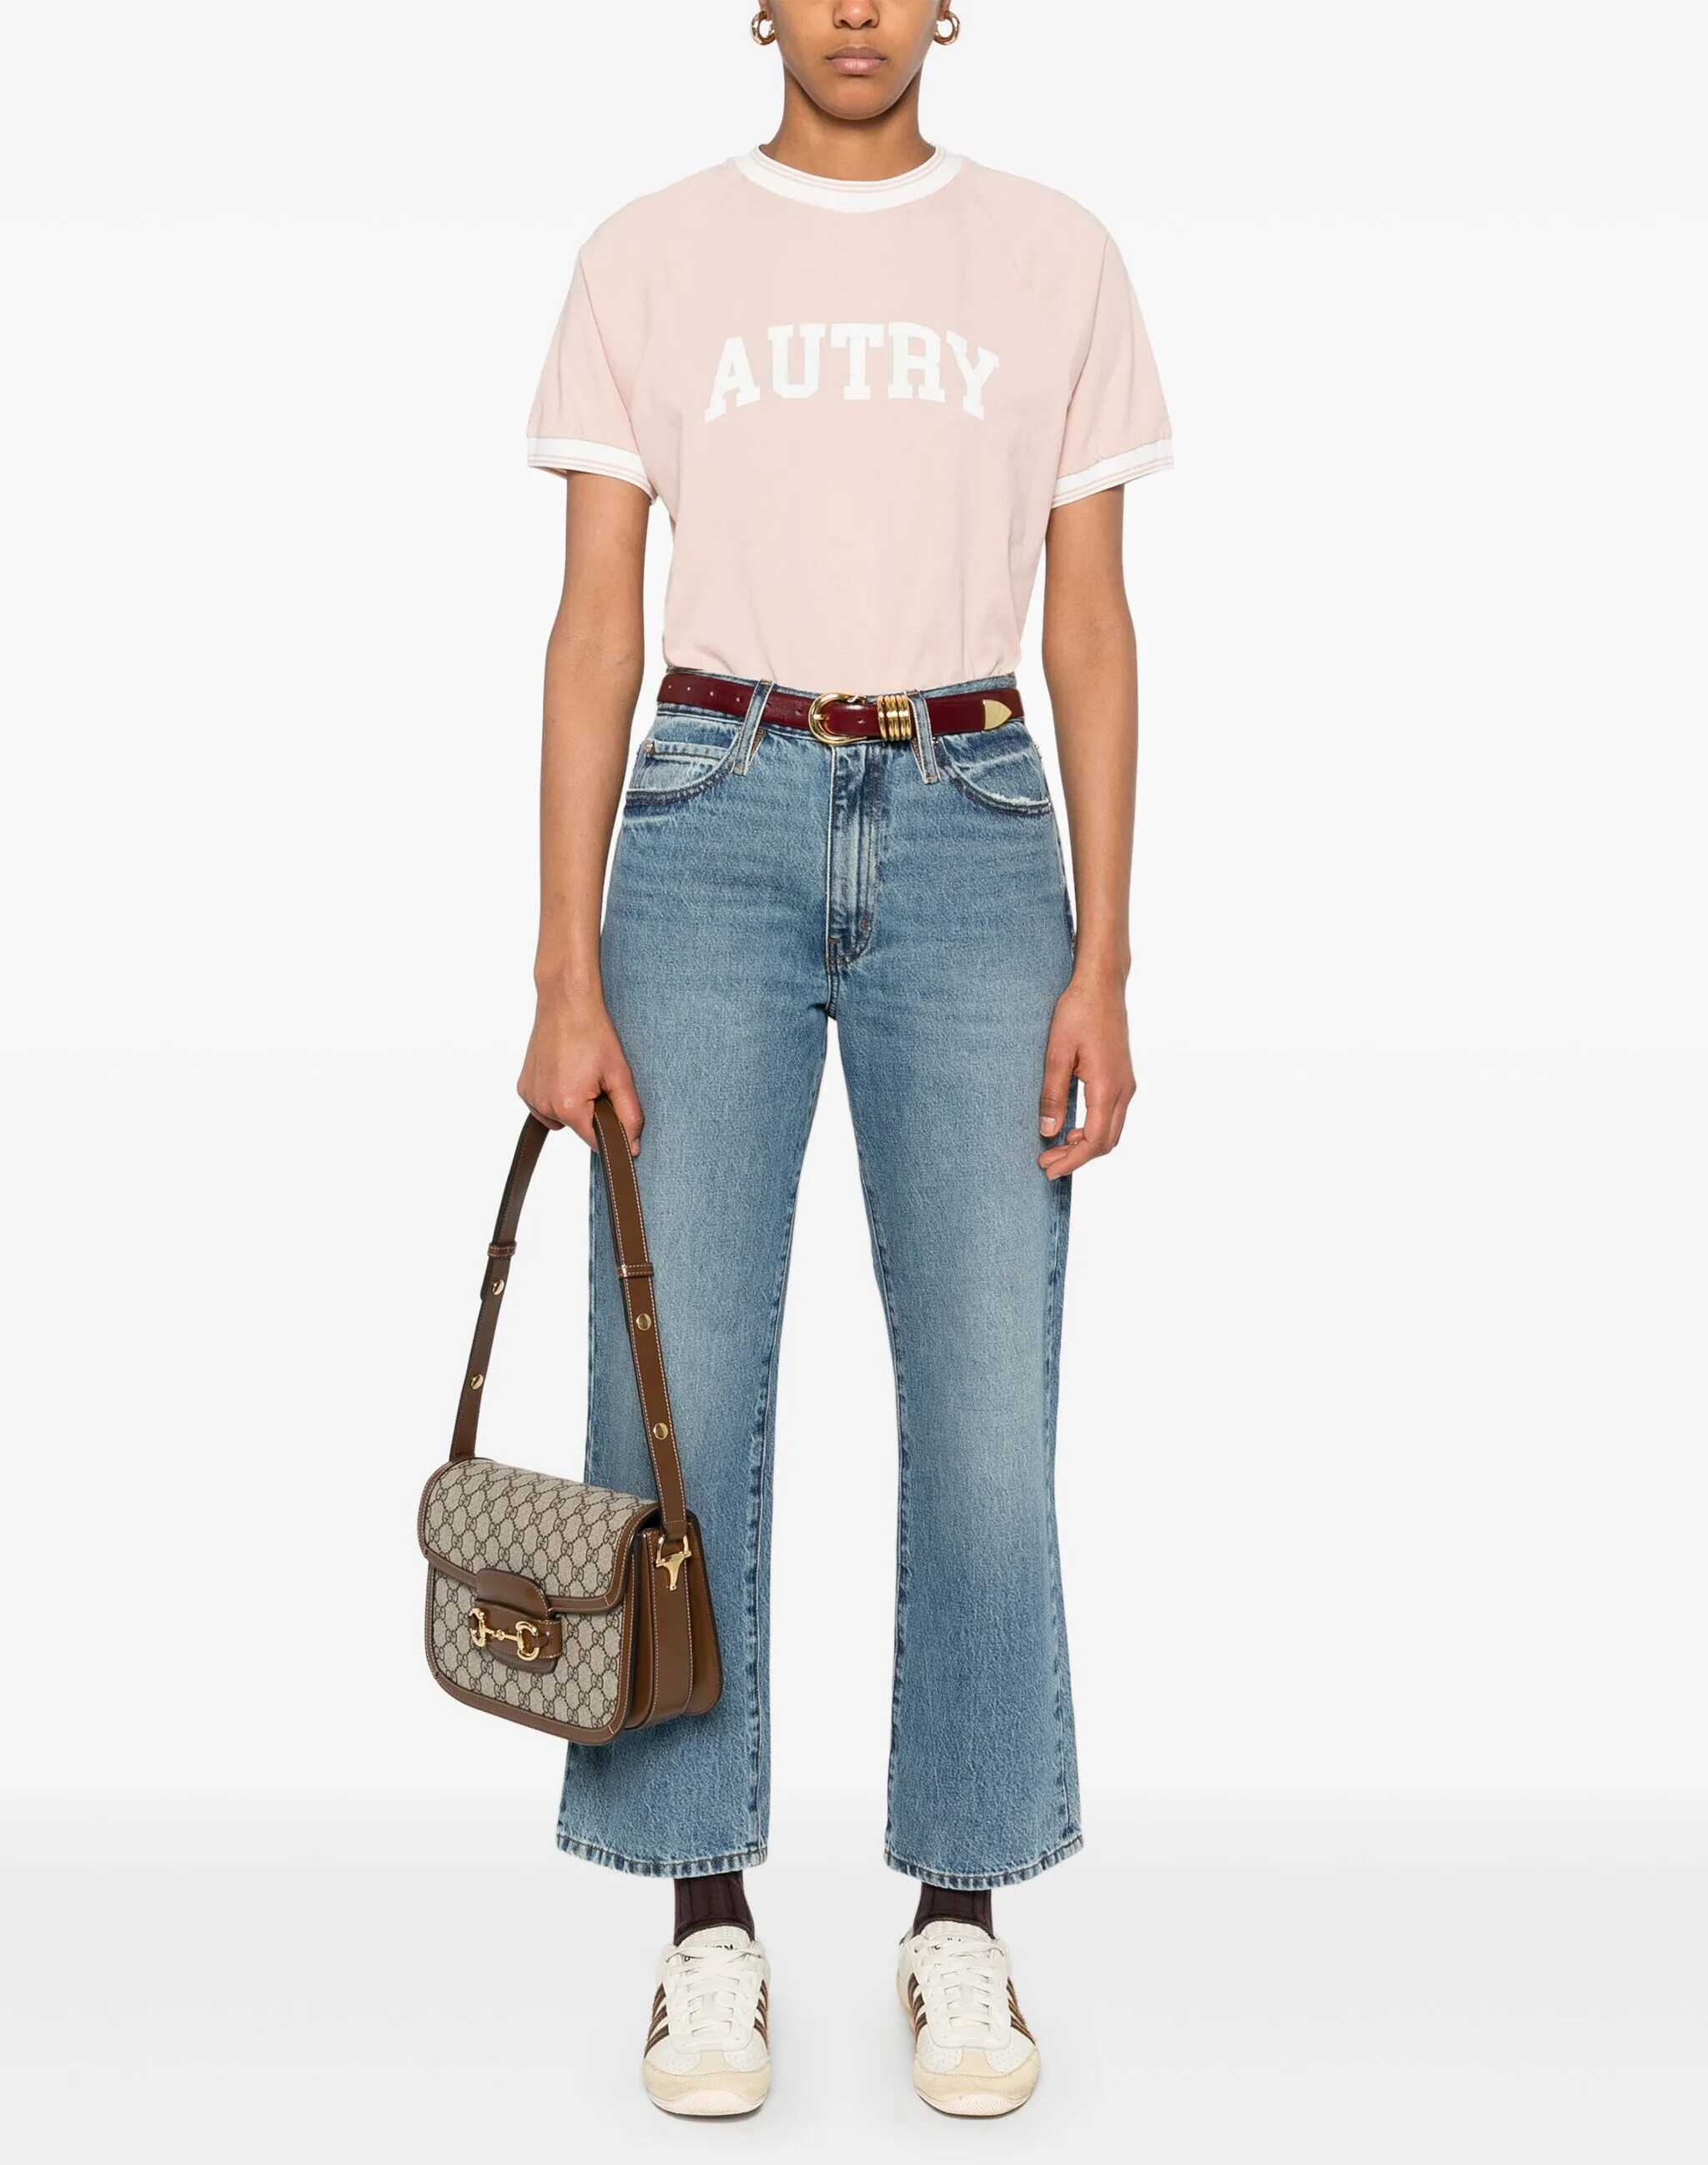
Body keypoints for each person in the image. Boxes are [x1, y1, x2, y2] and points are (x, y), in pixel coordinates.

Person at [517, 0, 1171, 2120]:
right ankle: (700, 1920)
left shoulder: (1053, 253)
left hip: (975, 824)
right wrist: (561, 966)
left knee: (986, 1406)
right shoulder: (648, 252)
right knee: (673, 1396)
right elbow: (594, 624)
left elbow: (1090, 621)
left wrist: (1105, 955)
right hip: (705, 815)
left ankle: (958, 1910)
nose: (860, 11)